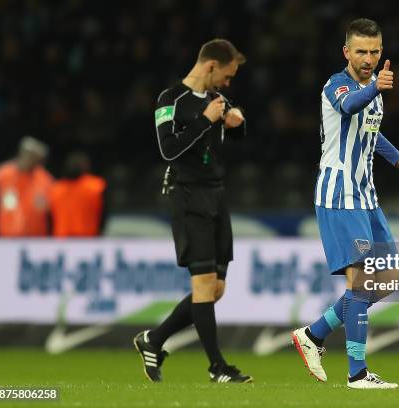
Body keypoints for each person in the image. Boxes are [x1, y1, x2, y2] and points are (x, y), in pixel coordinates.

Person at [291, 19, 399, 389]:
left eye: (375, 51)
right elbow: (350, 107)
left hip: (366, 198)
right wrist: (376, 90)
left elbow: (371, 132)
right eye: (362, 51)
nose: (368, 58)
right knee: (363, 280)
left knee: (390, 278)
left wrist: (398, 159)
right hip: (339, 194)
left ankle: (314, 334)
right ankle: (357, 373)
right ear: (347, 52)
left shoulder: (371, 89)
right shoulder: (337, 85)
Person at [133, 39, 252, 383]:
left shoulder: (219, 100)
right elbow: (167, 150)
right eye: (227, 76)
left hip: (216, 195)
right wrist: (204, 120)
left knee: (215, 290)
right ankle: (218, 367)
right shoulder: (170, 99)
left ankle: (153, 340)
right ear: (211, 65)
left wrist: (237, 122)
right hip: (186, 196)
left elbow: (237, 136)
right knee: (203, 286)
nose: (228, 85)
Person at [0, 136, 54, 237]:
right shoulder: (2, 174)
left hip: (36, 239)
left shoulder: (45, 179)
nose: (34, 161)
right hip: (6, 237)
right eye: (31, 156)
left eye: (38, 158)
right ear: (22, 153)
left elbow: (51, 208)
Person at [49, 152, 107, 237]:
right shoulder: (55, 189)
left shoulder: (96, 186)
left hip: (86, 239)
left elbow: (104, 213)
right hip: (66, 240)